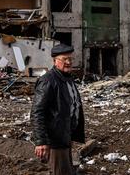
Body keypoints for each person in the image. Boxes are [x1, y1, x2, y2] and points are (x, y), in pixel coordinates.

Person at [31, 43, 85, 175]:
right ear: (55, 61)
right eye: (64, 59)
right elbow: (37, 112)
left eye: (70, 59)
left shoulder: (67, 79)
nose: (68, 62)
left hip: (64, 136)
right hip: (55, 140)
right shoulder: (48, 80)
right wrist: (41, 141)